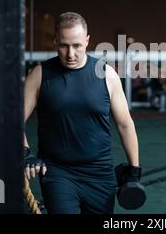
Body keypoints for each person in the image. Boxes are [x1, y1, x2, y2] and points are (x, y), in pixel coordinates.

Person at [22, 12, 141, 214]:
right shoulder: (40, 75)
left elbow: (125, 124)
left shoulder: (106, 74)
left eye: (77, 45)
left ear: (87, 41)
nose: (70, 54)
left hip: (100, 174)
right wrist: (25, 152)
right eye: (63, 45)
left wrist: (134, 169)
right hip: (57, 172)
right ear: (55, 41)